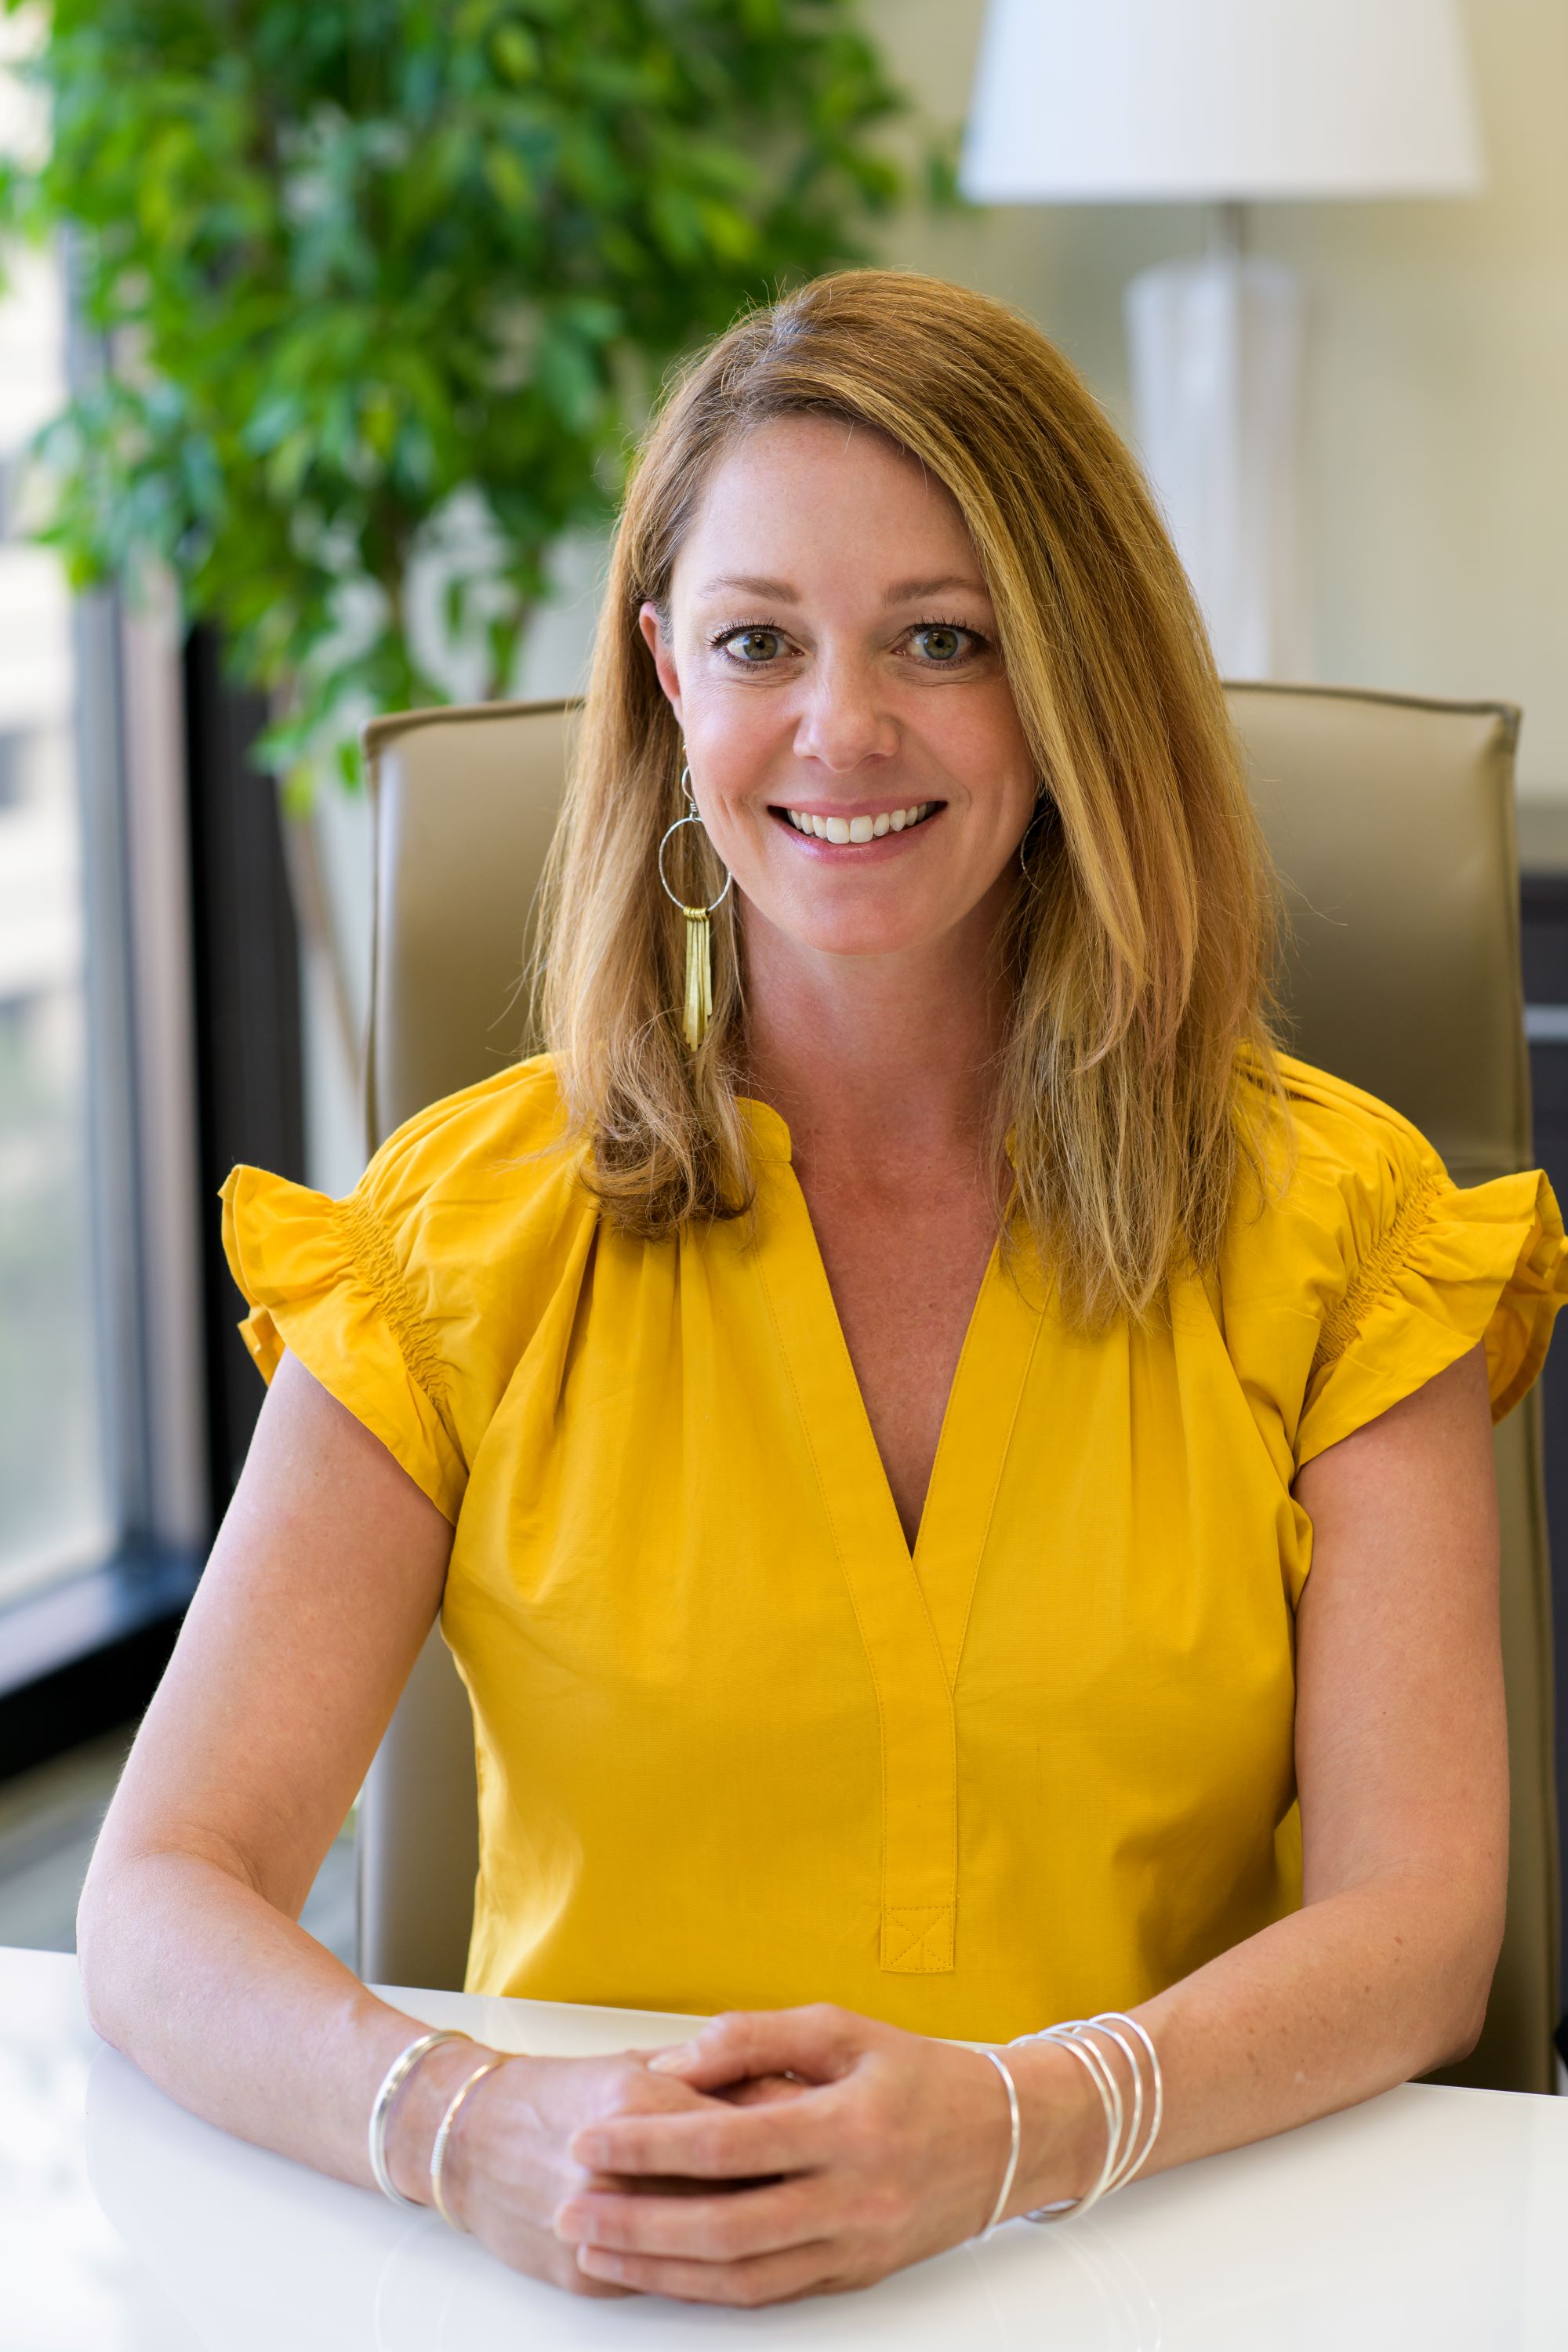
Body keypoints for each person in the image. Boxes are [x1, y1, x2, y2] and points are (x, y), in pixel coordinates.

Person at [78, 270, 1568, 2308]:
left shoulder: (1341, 1225)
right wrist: (468, 2127)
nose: (839, 728)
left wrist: (1022, 2127)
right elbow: (162, 1892)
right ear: (667, 678)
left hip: (1172, 2262)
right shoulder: (468, 1233)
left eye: (943, 639)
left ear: (1074, 679)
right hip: (594, 2281)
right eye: (758, 640)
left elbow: (1422, 1928)